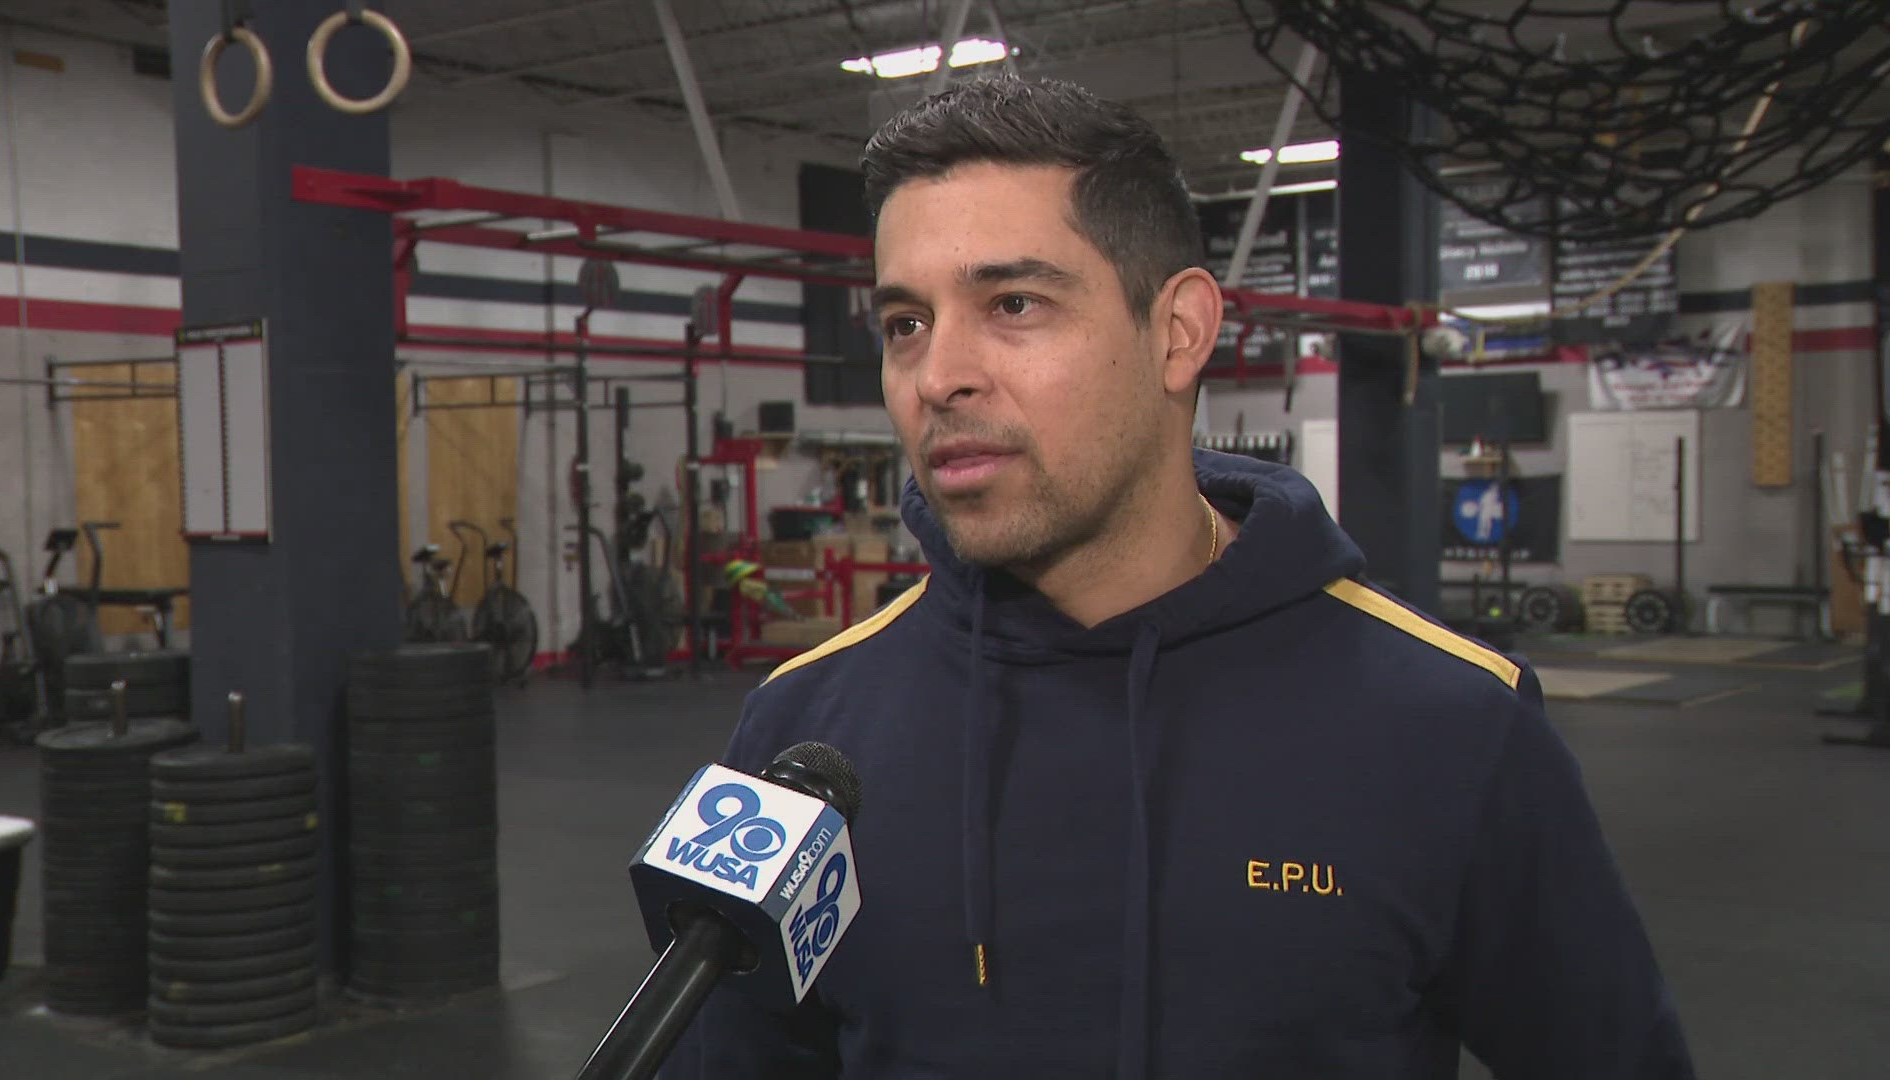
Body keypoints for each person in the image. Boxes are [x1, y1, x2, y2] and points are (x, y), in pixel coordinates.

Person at [664, 77, 1694, 1079]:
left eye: (1013, 303)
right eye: (906, 324)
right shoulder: (801, 736)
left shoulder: (1455, 724)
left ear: (1180, 332)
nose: (938, 376)